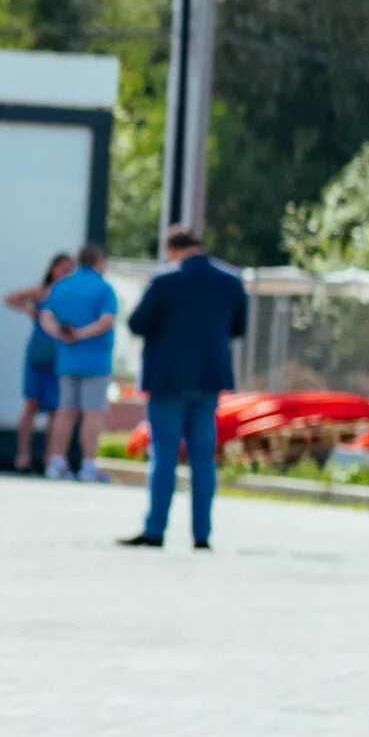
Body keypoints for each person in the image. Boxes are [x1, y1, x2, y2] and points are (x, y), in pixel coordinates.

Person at [122, 224, 248, 550]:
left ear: (172, 248)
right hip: (209, 379)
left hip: (167, 381)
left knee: (164, 456)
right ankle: (201, 534)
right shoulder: (230, 281)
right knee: (203, 459)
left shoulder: (165, 280)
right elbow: (238, 327)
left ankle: (155, 530)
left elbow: (137, 323)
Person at [36, 242, 117, 482]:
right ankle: (89, 465)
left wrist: (61, 335)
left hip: (67, 359)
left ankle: (57, 462)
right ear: (99, 262)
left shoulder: (62, 287)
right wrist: (82, 334)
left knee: (65, 412)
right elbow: (107, 320)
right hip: (96, 360)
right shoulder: (104, 288)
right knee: (93, 413)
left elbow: (46, 315)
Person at [5, 251, 74, 473]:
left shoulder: (69, 295)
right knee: (32, 404)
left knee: (55, 408)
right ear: (52, 269)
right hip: (38, 354)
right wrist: (31, 309)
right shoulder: (43, 293)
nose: (65, 272)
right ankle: (23, 456)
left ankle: (49, 458)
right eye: (61, 268)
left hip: (60, 356)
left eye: (69, 268)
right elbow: (10, 298)